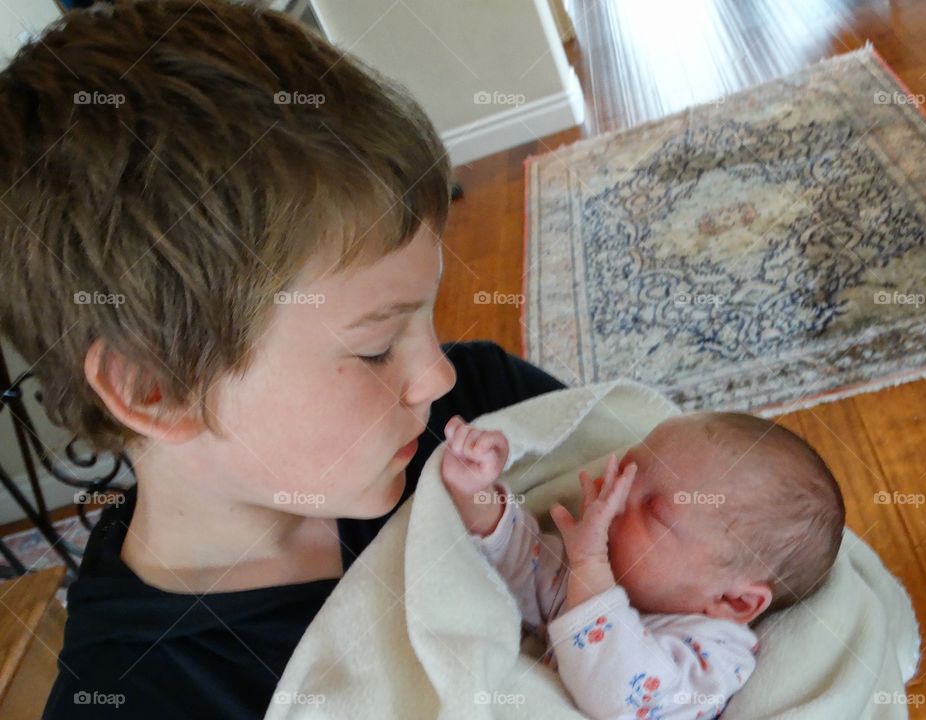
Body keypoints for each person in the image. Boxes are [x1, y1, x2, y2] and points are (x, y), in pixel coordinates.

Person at [0, 2, 565, 718]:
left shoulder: (484, 404)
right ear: (157, 389)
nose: (438, 373)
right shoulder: (146, 695)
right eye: (375, 347)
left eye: (428, 311)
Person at [440, 411, 846, 719]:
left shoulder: (715, 652)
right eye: (627, 472)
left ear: (732, 601)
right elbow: (522, 567)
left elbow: (621, 693)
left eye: (653, 510)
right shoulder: (602, 578)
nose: (613, 499)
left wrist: (591, 563)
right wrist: (476, 493)